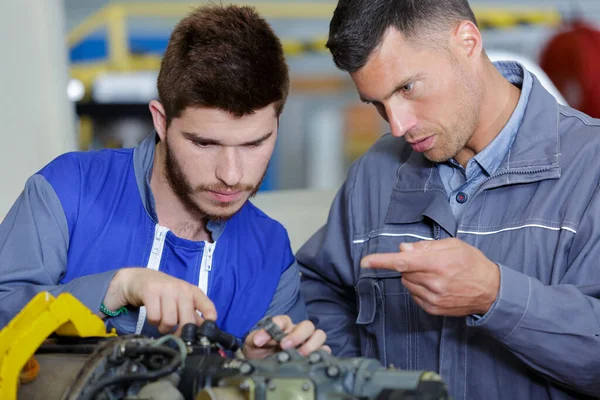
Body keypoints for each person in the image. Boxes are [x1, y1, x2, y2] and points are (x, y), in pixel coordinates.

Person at [297, 0, 600, 398]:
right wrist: (360, 381)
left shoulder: (591, 169)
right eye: (378, 104)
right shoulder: (375, 174)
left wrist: (495, 294)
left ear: (467, 42)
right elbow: (317, 290)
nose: (399, 125)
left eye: (407, 88)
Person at [0, 4, 327, 360]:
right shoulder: (67, 190)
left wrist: (256, 368)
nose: (232, 175)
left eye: (254, 143)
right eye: (204, 143)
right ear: (161, 121)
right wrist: (115, 289)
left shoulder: (271, 253)